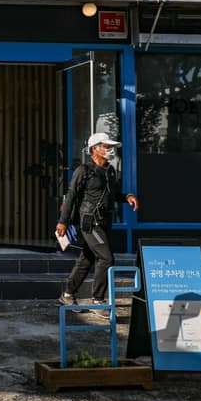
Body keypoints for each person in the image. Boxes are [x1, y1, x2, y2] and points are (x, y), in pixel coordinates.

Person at [56, 132, 139, 315]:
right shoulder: (83, 170)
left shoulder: (110, 170)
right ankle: (98, 300)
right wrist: (63, 222)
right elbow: (71, 197)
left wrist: (127, 196)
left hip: (105, 222)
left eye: (111, 147)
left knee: (87, 258)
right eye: (106, 146)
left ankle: (67, 294)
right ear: (94, 149)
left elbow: (113, 194)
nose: (110, 150)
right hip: (89, 222)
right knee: (107, 258)